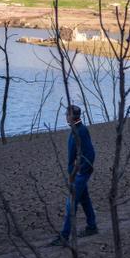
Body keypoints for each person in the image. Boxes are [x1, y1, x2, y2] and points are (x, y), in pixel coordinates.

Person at [50, 104, 98, 246]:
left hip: (79, 173)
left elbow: (90, 153)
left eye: (67, 114)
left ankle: (64, 236)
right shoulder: (75, 129)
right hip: (76, 172)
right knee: (84, 199)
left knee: (71, 204)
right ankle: (92, 226)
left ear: (72, 116)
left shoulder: (80, 131)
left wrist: (80, 170)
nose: (66, 116)